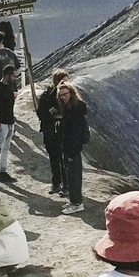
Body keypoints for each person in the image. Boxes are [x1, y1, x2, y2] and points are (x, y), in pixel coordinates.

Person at [56, 79, 89, 214]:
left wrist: (70, 149)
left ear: (71, 93)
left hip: (72, 149)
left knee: (74, 176)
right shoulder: (70, 108)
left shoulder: (75, 111)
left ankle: (76, 203)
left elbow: (75, 132)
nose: (63, 97)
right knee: (71, 175)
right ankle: (74, 201)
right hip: (69, 148)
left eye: (65, 94)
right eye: (61, 95)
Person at [36, 69, 66, 194]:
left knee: (65, 159)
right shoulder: (47, 96)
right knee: (54, 158)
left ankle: (67, 185)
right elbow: (41, 113)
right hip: (50, 131)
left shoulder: (68, 96)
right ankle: (56, 183)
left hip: (64, 132)